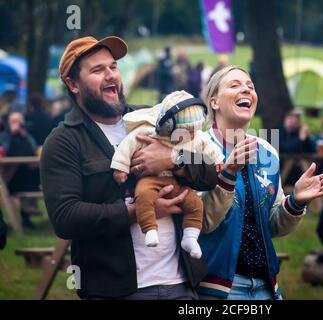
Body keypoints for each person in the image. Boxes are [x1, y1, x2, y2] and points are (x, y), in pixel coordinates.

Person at [40, 36, 234, 300]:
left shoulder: (152, 120)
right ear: (73, 84)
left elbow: (210, 175)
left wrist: (172, 159)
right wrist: (138, 211)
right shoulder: (64, 141)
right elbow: (66, 218)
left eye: (113, 67)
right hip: (116, 290)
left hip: (182, 283)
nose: (111, 76)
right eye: (98, 70)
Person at [196, 66, 323, 300]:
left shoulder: (267, 152)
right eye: (235, 85)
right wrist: (229, 173)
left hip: (266, 286)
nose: (246, 89)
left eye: (250, 86)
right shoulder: (196, 150)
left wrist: (295, 202)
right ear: (214, 102)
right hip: (217, 287)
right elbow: (201, 221)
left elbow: (271, 225)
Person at [111, 90, 224, 258]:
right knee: (143, 195)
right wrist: (120, 167)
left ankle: (190, 237)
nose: (191, 136)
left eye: (194, 131)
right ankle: (149, 229)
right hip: (150, 180)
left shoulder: (195, 136)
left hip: (177, 183)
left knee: (195, 203)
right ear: (167, 125)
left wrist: (218, 160)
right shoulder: (148, 131)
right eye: (186, 132)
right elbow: (127, 146)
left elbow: (208, 148)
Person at [0, 112, 40, 229]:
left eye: (19, 121)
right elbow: (5, 152)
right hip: (10, 178)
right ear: (9, 123)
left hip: (26, 176)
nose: (17, 124)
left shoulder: (27, 135)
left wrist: (24, 136)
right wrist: (13, 135)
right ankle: (24, 216)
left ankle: (27, 215)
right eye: (14, 121)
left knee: (34, 169)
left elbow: (33, 151)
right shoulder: (4, 136)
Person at [278, 110, 314, 186]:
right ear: (285, 120)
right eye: (290, 119)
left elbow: (310, 150)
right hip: (281, 167)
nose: (292, 123)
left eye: (295, 121)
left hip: (298, 168)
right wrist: (301, 139)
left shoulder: (298, 132)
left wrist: (305, 138)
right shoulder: (278, 131)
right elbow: (286, 149)